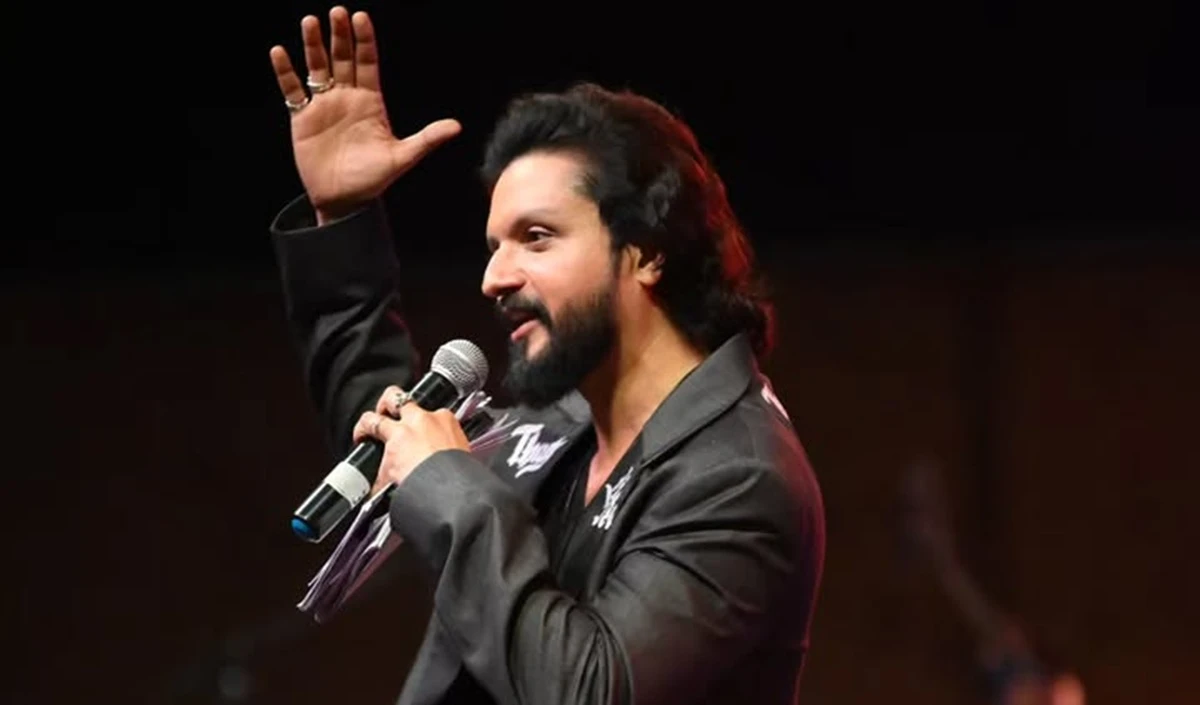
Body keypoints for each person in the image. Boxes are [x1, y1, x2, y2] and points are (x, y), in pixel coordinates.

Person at [266, 6, 826, 704]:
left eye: (536, 237)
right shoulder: (562, 422)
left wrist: (451, 484)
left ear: (648, 250)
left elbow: (586, 687)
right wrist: (344, 218)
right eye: (494, 245)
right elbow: (396, 443)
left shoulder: (738, 476)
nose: (494, 277)